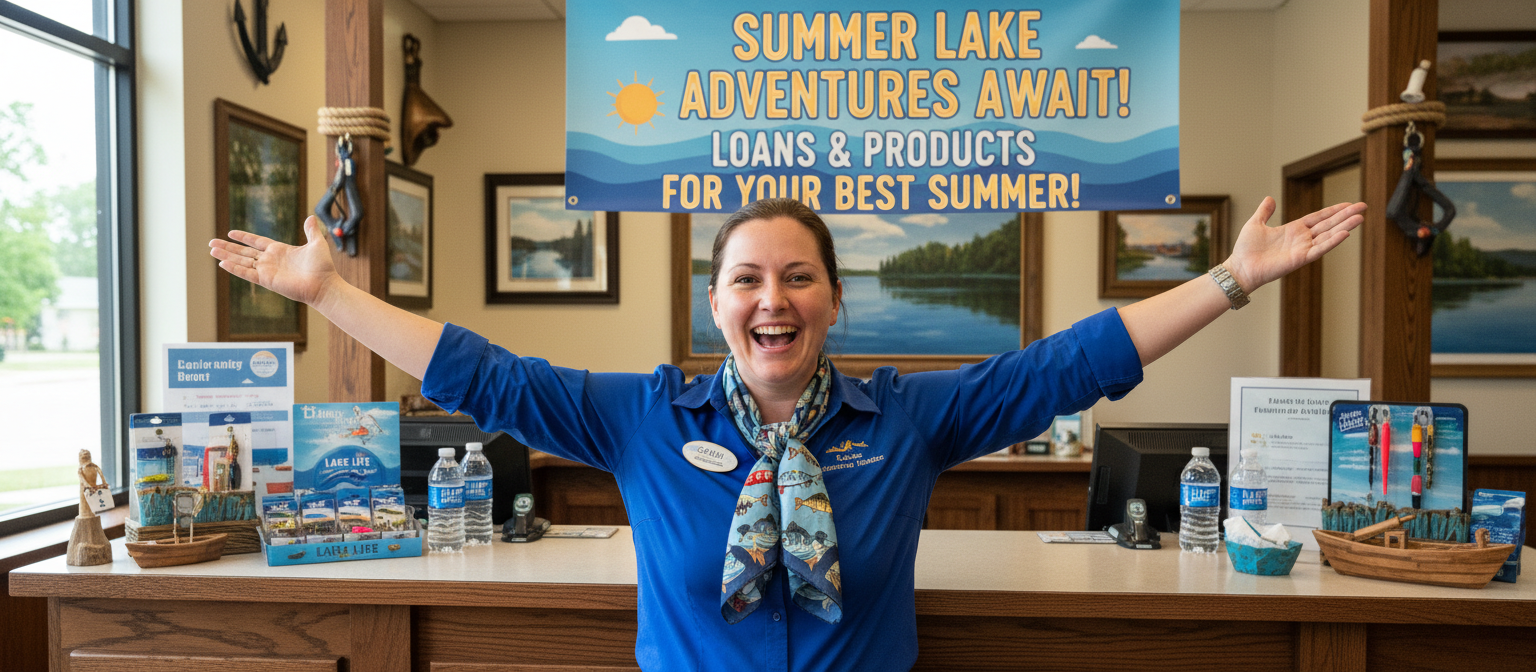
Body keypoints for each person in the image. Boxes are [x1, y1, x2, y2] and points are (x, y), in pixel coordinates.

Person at [209, 196, 1364, 671]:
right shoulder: (640, 416)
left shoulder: (907, 416)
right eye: (748, 279)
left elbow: (1071, 365)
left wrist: (1230, 277)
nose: (774, 300)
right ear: (716, 303)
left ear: (831, 301)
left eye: (799, 277)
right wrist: (328, 297)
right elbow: (486, 376)